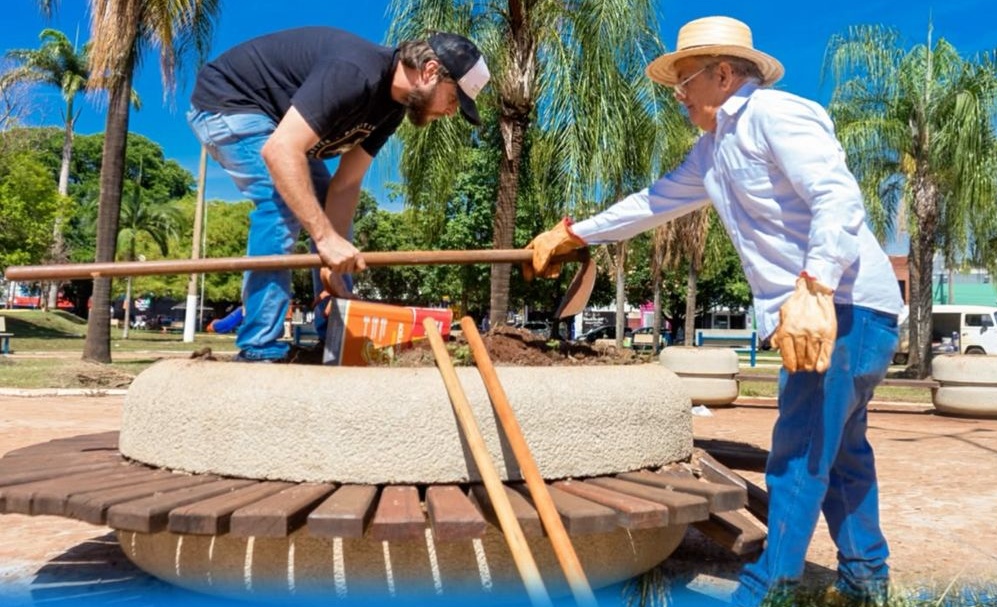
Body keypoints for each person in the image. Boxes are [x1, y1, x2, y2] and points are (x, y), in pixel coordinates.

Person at [525, 16, 902, 607]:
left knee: (799, 455)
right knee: (844, 452)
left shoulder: (774, 115)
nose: (678, 93)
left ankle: (769, 590)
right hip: (841, 310)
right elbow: (653, 202)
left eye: (686, 78)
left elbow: (837, 195)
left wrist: (816, 288)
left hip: (839, 309)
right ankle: (866, 581)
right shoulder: (713, 150)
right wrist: (579, 235)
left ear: (724, 74)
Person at [187, 26, 490, 362]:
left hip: (280, 126)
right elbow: (280, 149)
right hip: (229, 102)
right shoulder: (355, 72)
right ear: (431, 71)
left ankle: (330, 337)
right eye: (453, 98)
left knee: (325, 220)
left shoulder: (391, 109)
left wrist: (333, 264)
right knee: (283, 207)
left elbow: (345, 184)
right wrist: (324, 237)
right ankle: (260, 348)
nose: (451, 111)